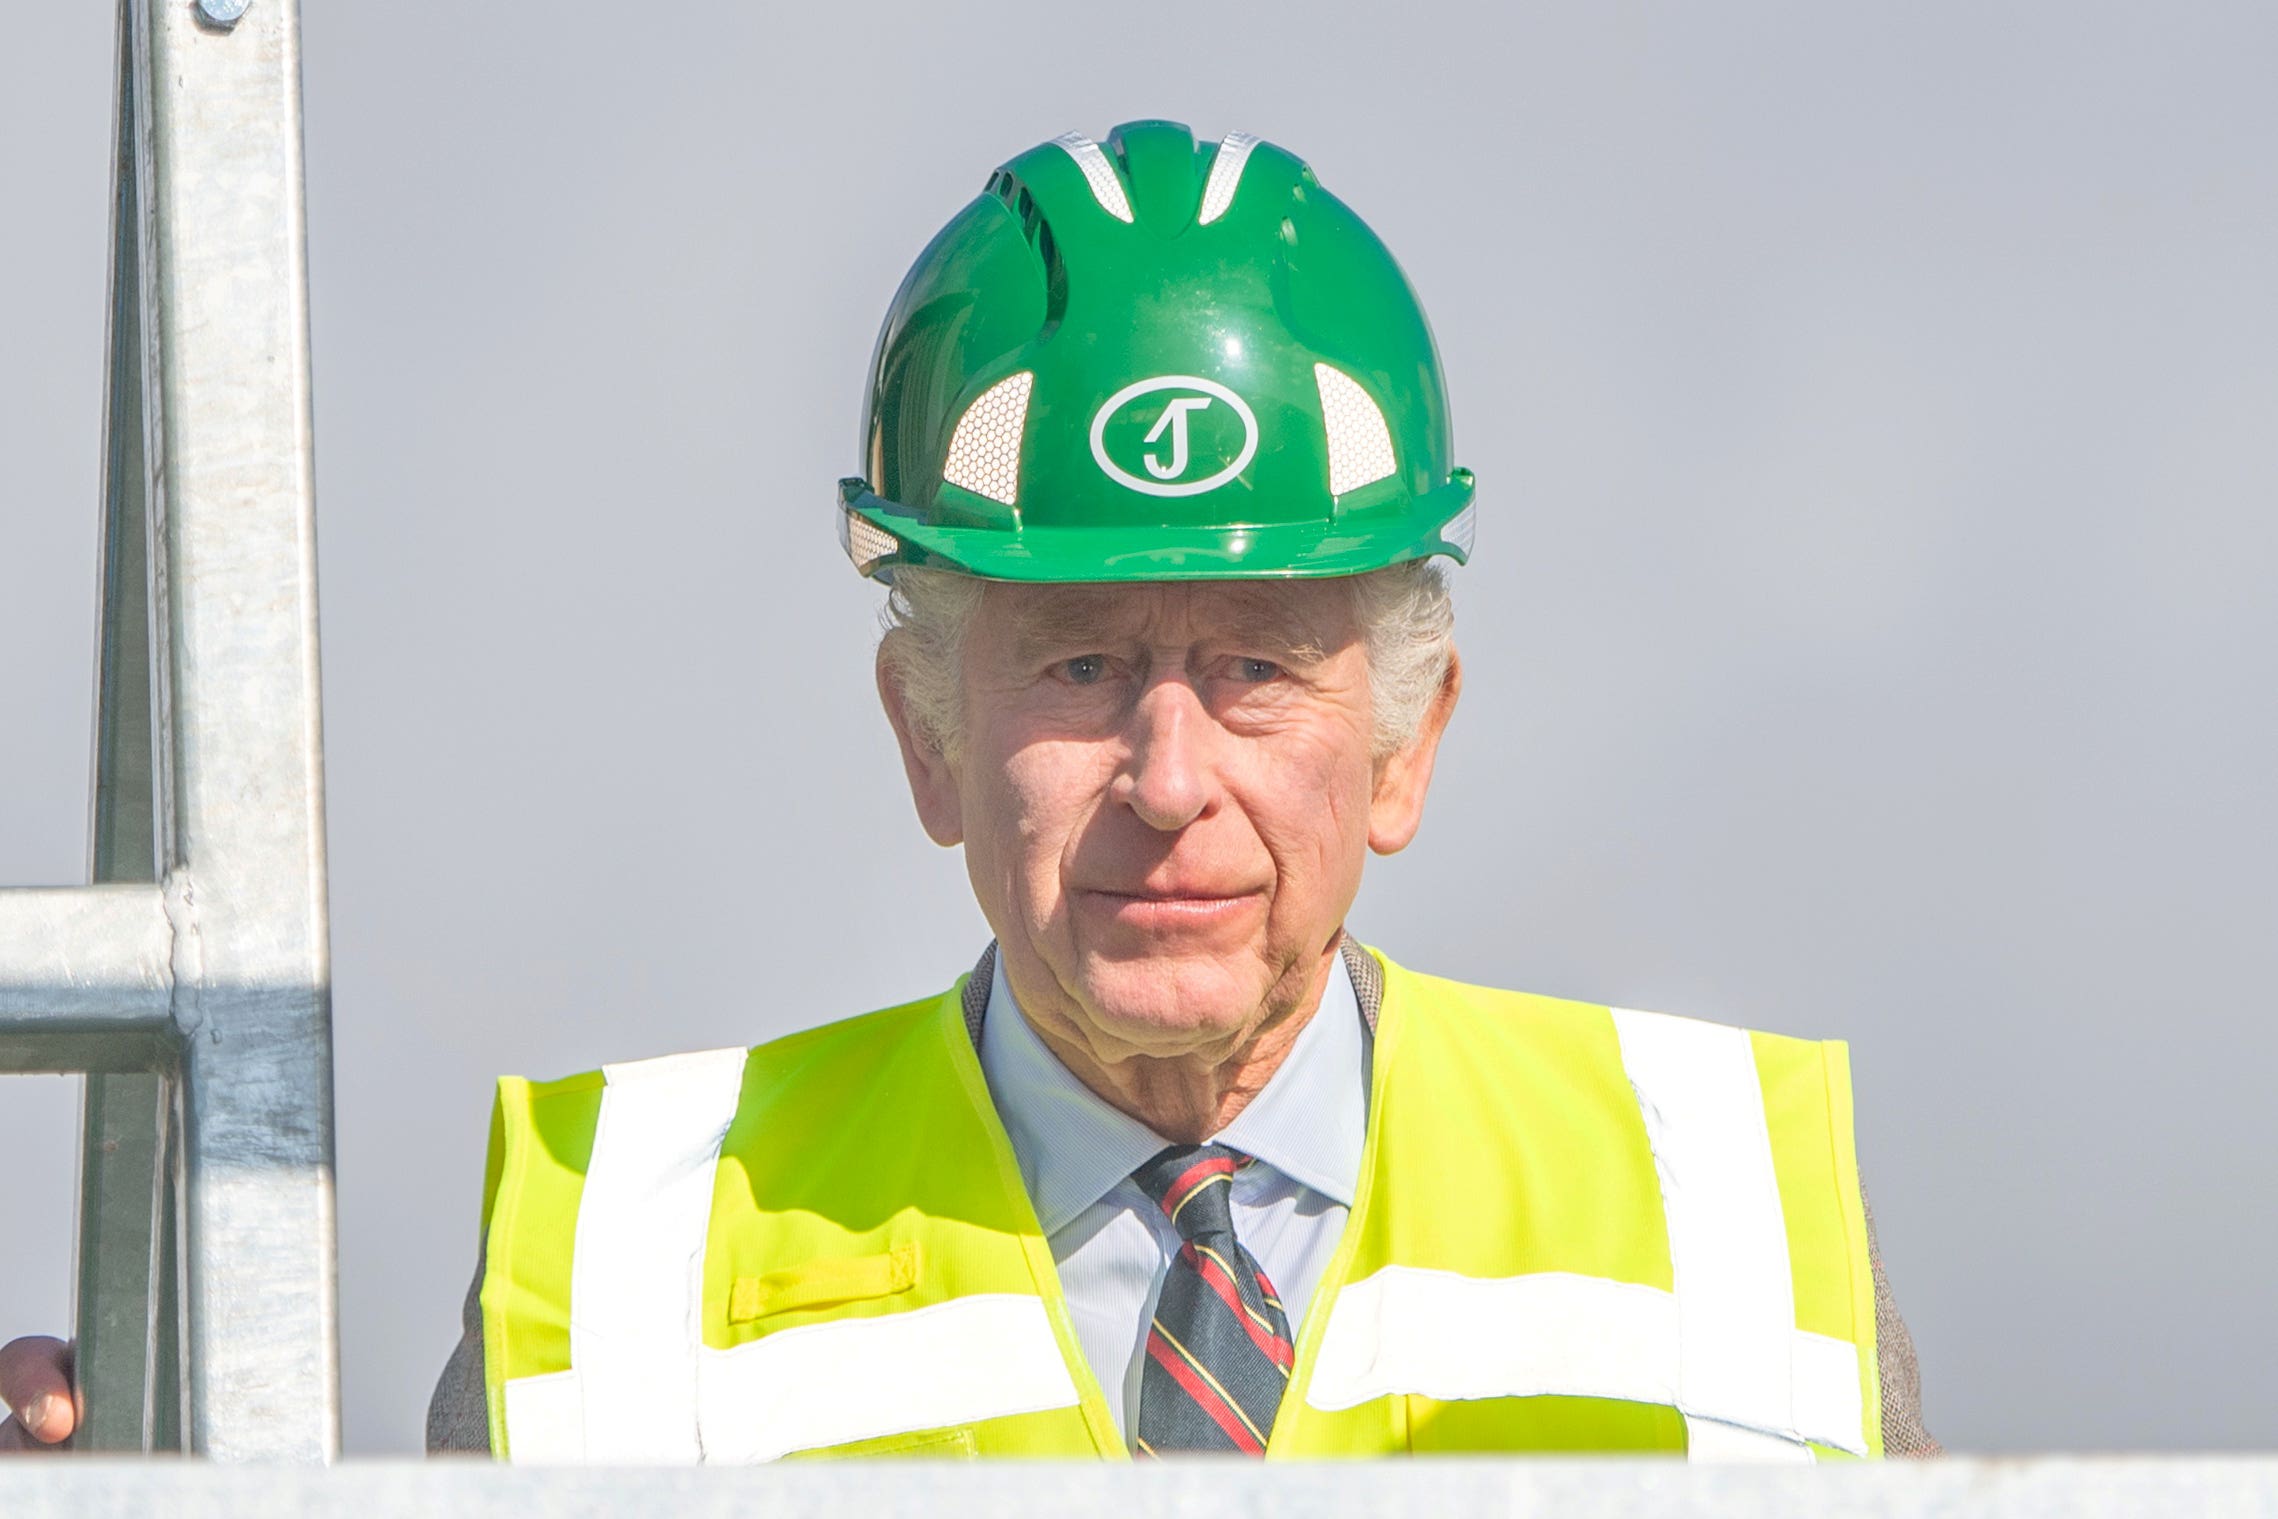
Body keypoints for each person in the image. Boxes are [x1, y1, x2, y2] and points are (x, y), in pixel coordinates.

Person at [5, 119, 1935, 1461]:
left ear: (1406, 742)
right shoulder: (625, 1268)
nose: (1167, 779)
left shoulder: (1729, 1223)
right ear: (926, 736)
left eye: (1256, 667)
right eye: (1079, 665)